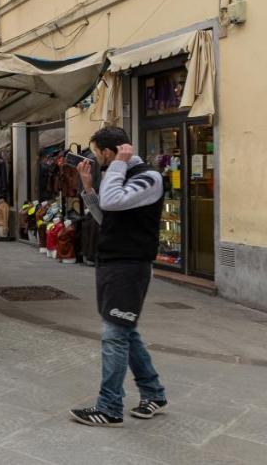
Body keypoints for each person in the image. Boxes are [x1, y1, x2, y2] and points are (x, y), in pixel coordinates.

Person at [69, 126, 168, 428]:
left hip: (130, 266)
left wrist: (118, 166)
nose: (96, 160)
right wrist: (88, 189)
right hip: (113, 264)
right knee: (125, 330)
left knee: (114, 335)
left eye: (99, 154)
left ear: (112, 153)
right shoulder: (118, 175)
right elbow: (106, 218)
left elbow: (112, 201)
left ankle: (110, 407)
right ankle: (153, 392)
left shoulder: (148, 177)